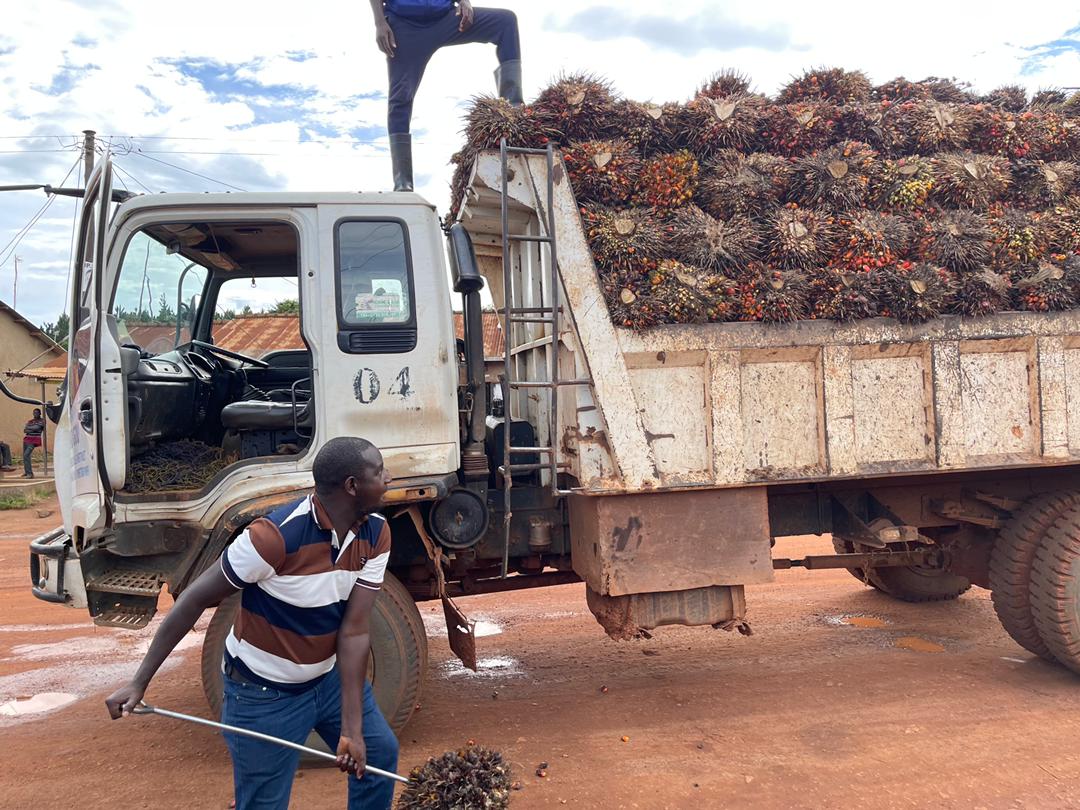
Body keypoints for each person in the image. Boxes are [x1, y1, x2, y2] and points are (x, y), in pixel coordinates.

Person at [106, 437, 399, 810]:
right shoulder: (273, 537)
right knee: (263, 804)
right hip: (262, 696)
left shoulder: (376, 533)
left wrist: (352, 730)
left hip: (326, 683)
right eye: (379, 471)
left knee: (377, 756)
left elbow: (355, 630)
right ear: (352, 486)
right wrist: (139, 681)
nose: (388, 477)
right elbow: (195, 598)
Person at [370, 0, 523, 191]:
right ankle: (403, 180)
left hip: (446, 19)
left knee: (505, 21)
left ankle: (513, 106)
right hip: (404, 25)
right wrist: (379, 23)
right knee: (400, 97)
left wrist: (464, 1)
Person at [22, 408, 44, 478]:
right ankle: (26, 472)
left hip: (34, 440)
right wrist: (32, 428)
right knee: (25, 456)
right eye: (34, 413)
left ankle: (30, 474)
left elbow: (37, 428)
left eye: (37, 413)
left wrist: (30, 428)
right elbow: (25, 430)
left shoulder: (42, 420)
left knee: (26, 455)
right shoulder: (30, 421)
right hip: (26, 440)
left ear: (40, 413)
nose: (35, 414)